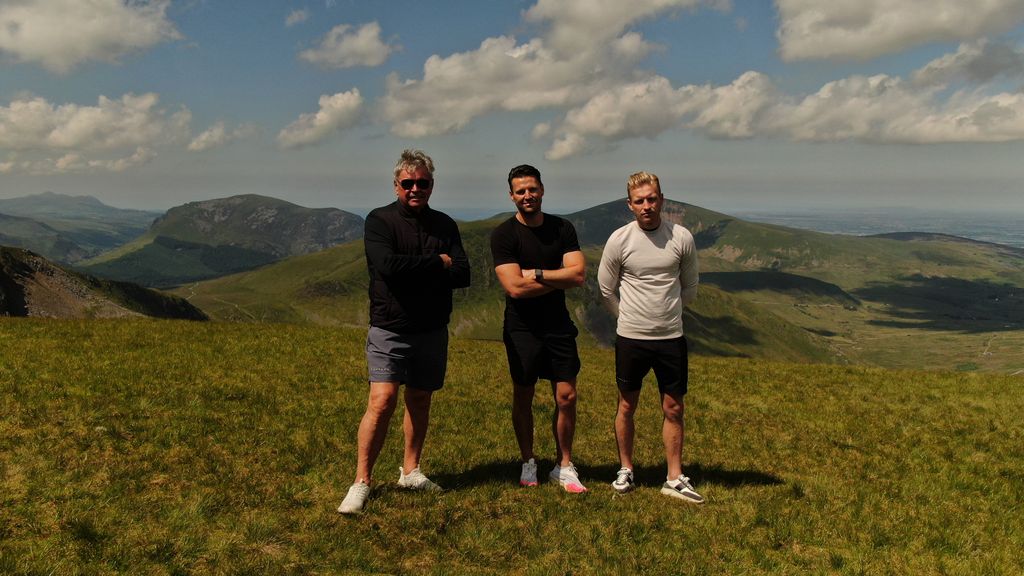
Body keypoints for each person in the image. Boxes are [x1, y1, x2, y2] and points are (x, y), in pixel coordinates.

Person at [338, 149, 471, 514]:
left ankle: (410, 470)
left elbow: (463, 274)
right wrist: (436, 263)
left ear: (432, 185)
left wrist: (422, 268)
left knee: (420, 399)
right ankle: (361, 480)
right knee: (381, 401)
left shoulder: (445, 224)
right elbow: (387, 266)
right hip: (390, 326)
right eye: (408, 183)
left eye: (422, 183)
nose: (416, 189)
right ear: (396, 185)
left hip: (431, 328)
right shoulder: (379, 221)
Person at [596, 171, 703, 504]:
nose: (647, 206)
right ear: (630, 205)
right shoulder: (619, 240)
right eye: (639, 201)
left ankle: (673, 477)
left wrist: (666, 315)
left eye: (652, 199)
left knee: (674, 407)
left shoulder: (681, 237)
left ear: (662, 200)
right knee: (627, 405)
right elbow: (605, 287)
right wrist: (628, 318)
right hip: (631, 338)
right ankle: (625, 469)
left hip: (671, 337)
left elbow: (690, 287)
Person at [490, 164, 588, 493]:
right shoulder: (503, 235)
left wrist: (537, 274)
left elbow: (578, 275)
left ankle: (564, 465)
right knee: (524, 393)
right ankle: (528, 459)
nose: (527, 195)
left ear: (542, 190)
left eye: (532, 189)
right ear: (512, 196)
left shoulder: (562, 228)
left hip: (558, 324)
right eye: (521, 191)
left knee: (567, 396)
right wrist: (556, 277)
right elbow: (515, 289)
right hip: (522, 328)